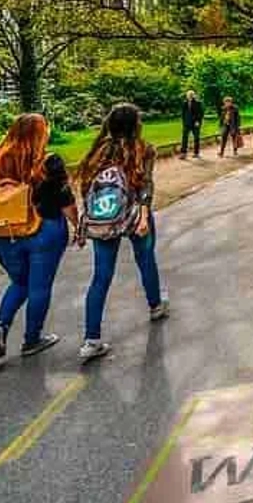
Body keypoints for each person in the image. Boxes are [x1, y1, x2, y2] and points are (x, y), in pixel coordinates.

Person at [76, 103, 169, 362]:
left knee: (101, 276)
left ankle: (91, 338)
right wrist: (142, 213)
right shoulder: (144, 149)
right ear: (135, 125)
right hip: (134, 214)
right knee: (146, 260)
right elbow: (146, 185)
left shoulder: (97, 152)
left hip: (104, 218)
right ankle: (155, 305)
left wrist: (89, 218)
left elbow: (87, 188)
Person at [0, 114, 79, 359]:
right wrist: (78, 225)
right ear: (40, 133)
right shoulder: (48, 161)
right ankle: (32, 340)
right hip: (44, 231)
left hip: (6, 233)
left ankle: (0, 325)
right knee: (39, 286)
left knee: (19, 282)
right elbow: (65, 200)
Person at [179, 90, 204, 158]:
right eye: (188, 95)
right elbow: (183, 114)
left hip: (195, 123)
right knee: (184, 138)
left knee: (196, 138)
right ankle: (183, 153)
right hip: (187, 123)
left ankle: (196, 153)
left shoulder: (198, 103)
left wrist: (198, 121)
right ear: (187, 96)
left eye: (191, 95)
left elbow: (201, 113)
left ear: (193, 96)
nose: (190, 96)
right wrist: (184, 122)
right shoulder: (184, 103)